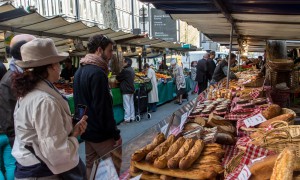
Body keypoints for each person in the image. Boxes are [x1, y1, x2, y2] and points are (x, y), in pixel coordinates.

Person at [11, 38, 87, 179]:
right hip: (42, 172)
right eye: (59, 63)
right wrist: (74, 135)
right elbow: (56, 153)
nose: (60, 67)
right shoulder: (44, 101)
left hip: (32, 168)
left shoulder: (29, 93)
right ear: (52, 66)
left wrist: (69, 129)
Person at [73, 34, 121, 179]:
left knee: (90, 167)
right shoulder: (98, 73)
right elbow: (103, 109)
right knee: (113, 167)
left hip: (88, 130)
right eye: (110, 51)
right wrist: (115, 134)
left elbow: (79, 104)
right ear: (99, 50)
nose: (111, 55)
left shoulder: (79, 71)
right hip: (101, 134)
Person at [0, 34, 35, 180]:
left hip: (15, 136)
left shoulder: (23, 75)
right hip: (15, 137)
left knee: (7, 166)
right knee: (11, 165)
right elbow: (8, 117)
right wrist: (19, 144)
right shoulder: (10, 79)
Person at [116, 57, 135, 123]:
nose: (122, 63)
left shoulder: (125, 70)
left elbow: (118, 78)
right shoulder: (132, 69)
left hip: (126, 89)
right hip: (131, 89)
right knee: (131, 104)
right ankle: (132, 117)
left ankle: (127, 119)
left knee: (126, 105)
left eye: (123, 62)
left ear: (126, 63)